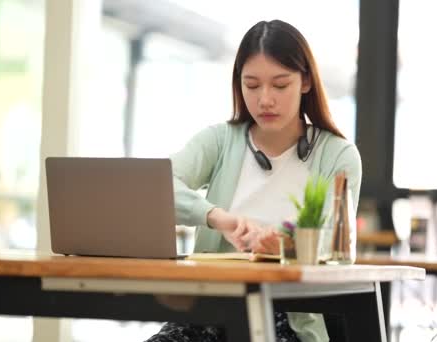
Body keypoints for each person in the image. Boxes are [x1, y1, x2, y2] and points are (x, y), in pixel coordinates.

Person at [147, 19, 362, 342]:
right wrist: (216, 217)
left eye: (279, 85)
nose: (264, 99)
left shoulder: (338, 155)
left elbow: (338, 245)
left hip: (288, 318)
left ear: (305, 82)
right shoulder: (220, 141)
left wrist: (288, 246)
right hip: (209, 309)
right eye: (252, 85)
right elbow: (154, 187)